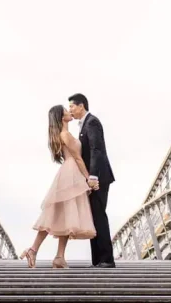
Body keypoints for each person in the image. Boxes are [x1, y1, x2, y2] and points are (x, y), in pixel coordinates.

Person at [21, 105, 96, 269]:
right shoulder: (65, 135)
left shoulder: (64, 134)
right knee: (57, 213)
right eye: (66, 110)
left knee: (65, 215)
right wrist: (87, 178)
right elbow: (77, 158)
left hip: (68, 173)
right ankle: (34, 250)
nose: (69, 112)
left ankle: (58, 257)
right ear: (61, 117)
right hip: (72, 173)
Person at [68, 93, 115, 268]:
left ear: (81, 106)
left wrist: (93, 177)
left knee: (99, 215)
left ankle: (106, 259)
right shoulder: (84, 125)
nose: (70, 110)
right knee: (94, 215)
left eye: (72, 106)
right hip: (92, 178)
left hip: (99, 177)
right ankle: (98, 259)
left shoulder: (92, 122)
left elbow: (97, 150)